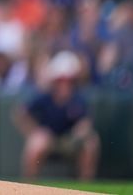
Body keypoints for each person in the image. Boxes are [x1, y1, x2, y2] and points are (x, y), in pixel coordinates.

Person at [14, 51, 100, 180]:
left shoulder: (78, 98)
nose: (64, 85)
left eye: (68, 81)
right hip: (49, 141)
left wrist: (80, 132)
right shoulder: (45, 97)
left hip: (71, 141)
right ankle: (29, 186)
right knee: (36, 142)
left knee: (91, 142)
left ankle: (85, 188)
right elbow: (20, 113)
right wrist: (35, 131)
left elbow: (86, 122)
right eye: (60, 80)